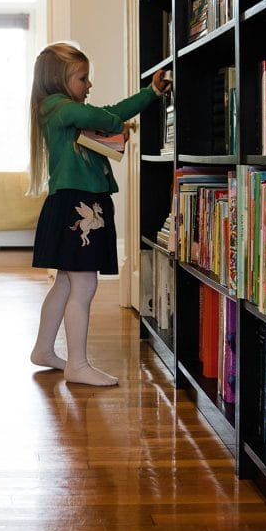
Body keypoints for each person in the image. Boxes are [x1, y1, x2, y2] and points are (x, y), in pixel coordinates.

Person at [27, 42, 171, 385]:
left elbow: (112, 112)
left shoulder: (65, 109)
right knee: (85, 282)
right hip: (77, 202)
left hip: (74, 201)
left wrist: (149, 93)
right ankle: (77, 364)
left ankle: (44, 350)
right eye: (83, 78)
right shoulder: (60, 109)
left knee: (66, 281)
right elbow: (106, 116)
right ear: (59, 80)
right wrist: (117, 124)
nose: (88, 85)